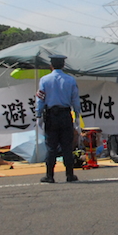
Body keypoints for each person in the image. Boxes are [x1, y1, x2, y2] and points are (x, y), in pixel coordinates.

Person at [36, 54, 80, 183]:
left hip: (51, 115)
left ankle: (49, 175)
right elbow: (75, 100)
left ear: (51, 65)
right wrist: (77, 115)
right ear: (63, 65)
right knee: (67, 146)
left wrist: (38, 115)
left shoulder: (44, 80)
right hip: (66, 115)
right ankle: (70, 175)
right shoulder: (70, 80)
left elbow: (40, 99)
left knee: (51, 146)